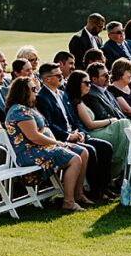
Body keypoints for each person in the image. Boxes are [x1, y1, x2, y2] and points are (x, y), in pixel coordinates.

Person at [4, 76, 91, 211]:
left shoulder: (28, 108)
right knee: (75, 159)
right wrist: (57, 142)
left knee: (83, 152)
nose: (36, 92)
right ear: (23, 91)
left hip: (43, 148)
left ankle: (78, 194)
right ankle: (68, 201)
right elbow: (34, 137)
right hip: (30, 153)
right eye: (33, 89)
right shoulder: (18, 111)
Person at [35, 63, 116, 202]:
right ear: (47, 79)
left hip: (75, 135)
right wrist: (68, 136)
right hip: (61, 138)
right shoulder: (42, 98)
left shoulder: (62, 94)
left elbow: (73, 118)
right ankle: (93, 191)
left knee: (105, 147)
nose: (62, 77)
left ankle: (104, 186)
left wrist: (81, 133)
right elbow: (49, 125)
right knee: (90, 150)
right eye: (58, 75)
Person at [69, 67, 130, 177]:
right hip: (91, 133)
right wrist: (110, 121)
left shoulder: (83, 100)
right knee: (123, 124)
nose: (89, 85)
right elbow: (90, 124)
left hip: (95, 130)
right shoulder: (78, 102)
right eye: (86, 83)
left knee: (125, 125)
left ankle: (125, 169)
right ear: (78, 84)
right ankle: (120, 169)